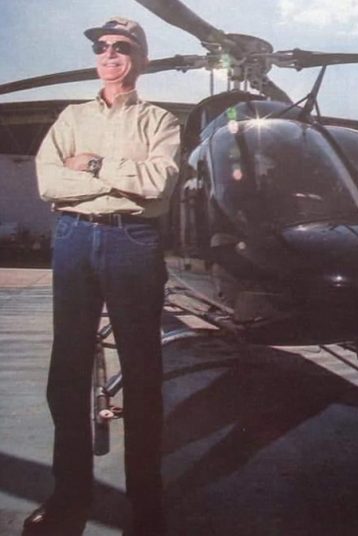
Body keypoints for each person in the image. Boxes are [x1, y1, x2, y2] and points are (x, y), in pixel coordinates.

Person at [24, 16, 180, 536]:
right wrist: (116, 180)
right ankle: (69, 496)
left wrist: (91, 166)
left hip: (132, 241)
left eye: (121, 46)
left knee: (143, 375)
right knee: (67, 370)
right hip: (73, 238)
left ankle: (146, 505)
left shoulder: (160, 121)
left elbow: (157, 184)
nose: (109, 54)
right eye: (102, 47)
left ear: (141, 58)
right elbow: (49, 182)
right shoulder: (71, 116)